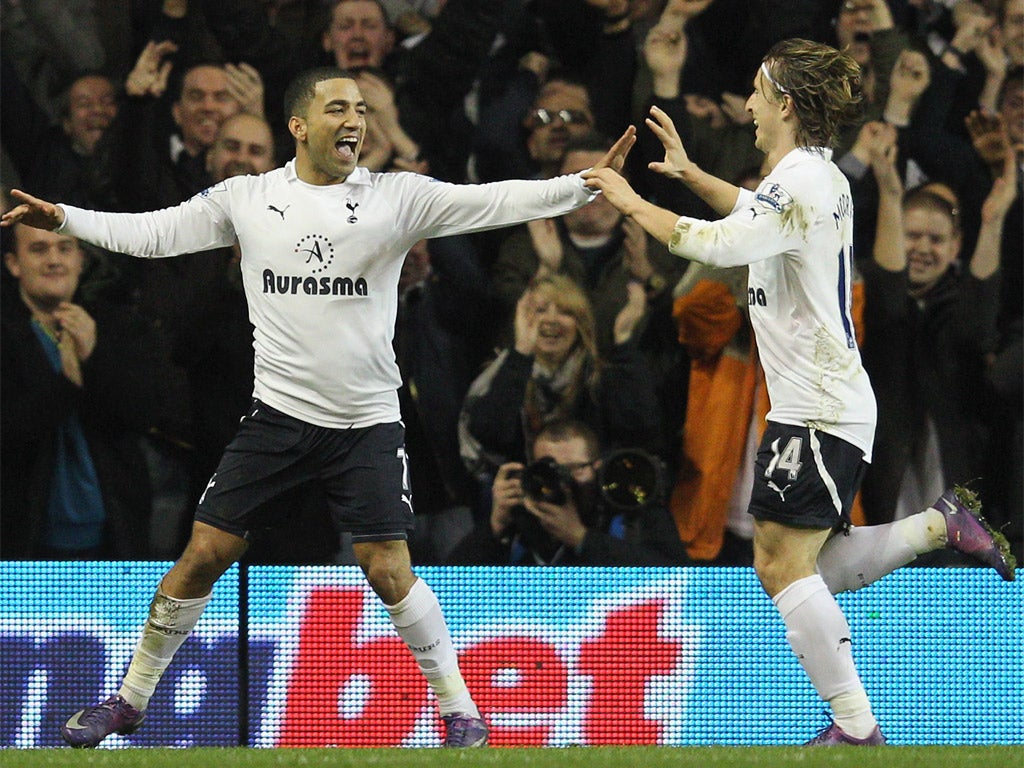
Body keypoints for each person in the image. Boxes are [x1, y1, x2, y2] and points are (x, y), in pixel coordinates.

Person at [2, 65, 636, 749]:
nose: (356, 120)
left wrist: (580, 185)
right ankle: (128, 702)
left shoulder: (398, 197)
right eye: (339, 108)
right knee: (201, 553)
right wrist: (66, 217)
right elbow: (155, 233)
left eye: (362, 108)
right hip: (275, 418)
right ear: (298, 125)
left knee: (387, 566)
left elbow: (491, 200)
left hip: (364, 423)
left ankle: (461, 714)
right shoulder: (247, 198)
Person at [582, 38, 1016, 745]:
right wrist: (692, 174)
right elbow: (751, 214)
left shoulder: (804, 181)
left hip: (817, 403)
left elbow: (718, 245)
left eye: (757, 92)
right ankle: (939, 526)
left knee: (781, 564)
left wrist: (630, 198)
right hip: (817, 402)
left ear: (784, 102)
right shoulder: (809, 177)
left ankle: (856, 725)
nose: (748, 106)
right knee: (794, 563)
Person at [1, 222, 157, 560]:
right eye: (39, 249)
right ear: (13, 264)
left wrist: (95, 357)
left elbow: (143, 414)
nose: (54, 260)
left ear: (81, 260)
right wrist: (68, 383)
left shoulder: (116, 327)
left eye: (65, 248)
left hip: (112, 534)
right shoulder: (6, 334)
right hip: (22, 536)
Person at [447, 418, 690, 567]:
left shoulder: (631, 515)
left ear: (597, 468)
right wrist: (495, 526)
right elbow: (449, 586)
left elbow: (677, 579)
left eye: (574, 469)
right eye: (551, 469)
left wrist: (582, 538)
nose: (563, 483)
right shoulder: (519, 518)